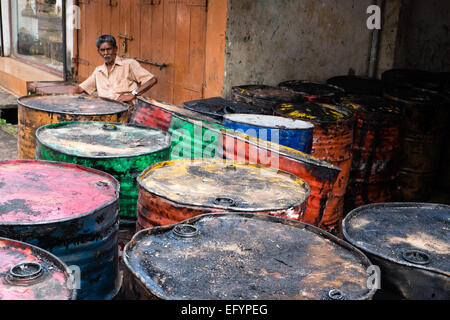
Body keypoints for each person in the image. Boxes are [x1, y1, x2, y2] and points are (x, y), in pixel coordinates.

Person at [70, 35, 157, 106]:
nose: (106, 53)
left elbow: (152, 80)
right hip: (105, 110)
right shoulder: (99, 71)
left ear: (115, 49)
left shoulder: (129, 64)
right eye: (102, 50)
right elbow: (80, 88)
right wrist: (65, 98)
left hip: (126, 108)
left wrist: (133, 94)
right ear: (99, 52)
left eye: (109, 49)